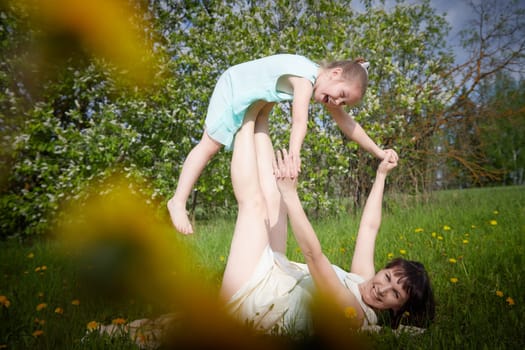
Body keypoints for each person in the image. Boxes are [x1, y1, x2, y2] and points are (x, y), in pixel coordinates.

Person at [221, 111, 435, 335]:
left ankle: (244, 115)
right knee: (274, 200)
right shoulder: (361, 281)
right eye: (388, 277)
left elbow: (314, 256)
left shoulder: (355, 312)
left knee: (254, 206)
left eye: (395, 294)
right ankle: (261, 111)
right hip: (277, 279)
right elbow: (369, 228)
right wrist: (381, 174)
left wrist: (291, 195)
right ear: (383, 270)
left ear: (398, 310)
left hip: (249, 301)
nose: (382, 288)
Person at [168, 53, 398, 235]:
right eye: (341, 94)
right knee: (209, 145)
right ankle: (178, 202)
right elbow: (299, 120)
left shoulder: (320, 82)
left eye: (343, 102)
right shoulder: (304, 78)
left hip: (252, 95)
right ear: (335, 73)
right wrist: (293, 154)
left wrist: (378, 151)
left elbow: (348, 125)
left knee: (256, 132)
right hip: (235, 85)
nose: (337, 102)